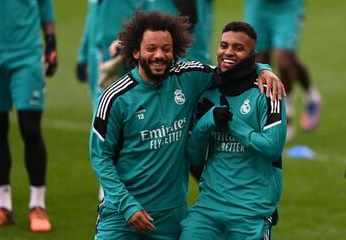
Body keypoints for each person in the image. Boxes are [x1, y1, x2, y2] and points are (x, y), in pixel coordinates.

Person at [90, 11, 284, 240]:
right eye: (151, 49)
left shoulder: (190, 77)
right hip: (122, 215)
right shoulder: (115, 98)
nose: (159, 56)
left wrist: (264, 69)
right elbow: (100, 158)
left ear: (176, 51)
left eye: (166, 49)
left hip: (169, 218)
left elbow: (231, 69)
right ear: (136, 51)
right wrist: (127, 205)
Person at [180, 21, 286, 240]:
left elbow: (273, 148)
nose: (228, 52)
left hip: (252, 212)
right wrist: (207, 122)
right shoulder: (207, 93)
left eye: (238, 48)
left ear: (251, 55)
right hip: (209, 208)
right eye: (223, 45)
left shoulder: (268, 91)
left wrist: (231, 122)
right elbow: (194, 156)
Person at [0, 0, 57, 233]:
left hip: (27, 52)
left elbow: (44, 3)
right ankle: (2, 206)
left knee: (30, 127)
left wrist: (50, 41)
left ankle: (38, 205)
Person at [245, 0, 322, 141]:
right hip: (258, 6)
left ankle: (287, 114)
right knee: (260, 61)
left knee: (284, 61)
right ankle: (268, 113)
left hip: (287, 6)